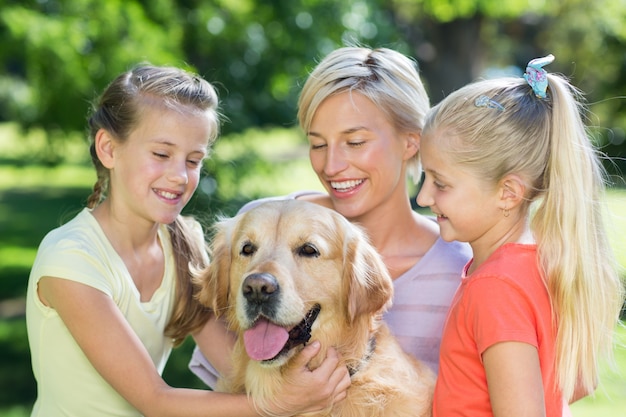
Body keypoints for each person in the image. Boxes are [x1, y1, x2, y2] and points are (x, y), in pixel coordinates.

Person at [25, 64, 350, 417]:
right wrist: (281, 403)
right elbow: (154, 399)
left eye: (193, 160)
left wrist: (315, 381)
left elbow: (234, 367)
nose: (179, 176)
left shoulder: (182, 243)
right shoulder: (71, 258)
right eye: (161, 155)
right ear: (108, 148)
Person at [189, 46, 472, 387]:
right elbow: (229, 370)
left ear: (410, 142)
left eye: (354, 142)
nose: (332, 166)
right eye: (318, 144)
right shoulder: (258, 227)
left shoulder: (460, 269)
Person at [416, 54, 625, 416]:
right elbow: (572, 385)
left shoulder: (495, 288)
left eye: (441, 183)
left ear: (508, 193)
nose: (423, 197)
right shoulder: (537, 265)